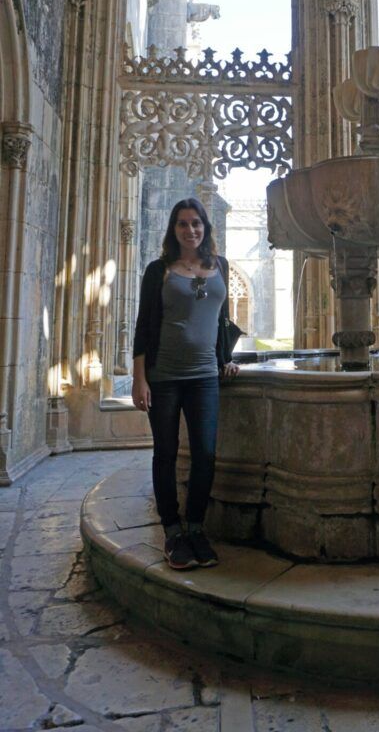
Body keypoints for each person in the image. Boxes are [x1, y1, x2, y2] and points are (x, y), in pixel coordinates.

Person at [132, 197, 240, 570]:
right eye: (182, 223)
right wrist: (139, 379)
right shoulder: (159, 270)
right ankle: (173, 532)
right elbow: (144, 326)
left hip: (205, 376)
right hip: (163, 377)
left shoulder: (220, 266)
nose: (190, 230)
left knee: (205, 455)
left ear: (205, 228)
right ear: (173, 229)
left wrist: (226, 359)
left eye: (196, 223)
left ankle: (196, 528)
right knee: (165, 453)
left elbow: (222, 319)